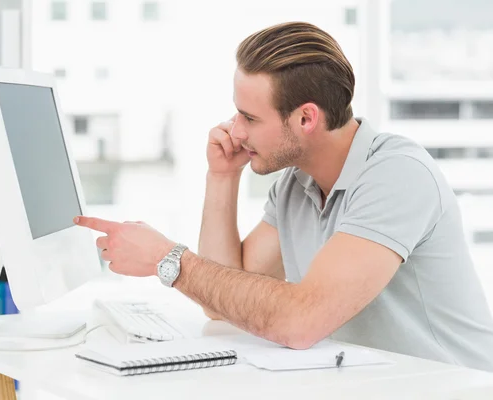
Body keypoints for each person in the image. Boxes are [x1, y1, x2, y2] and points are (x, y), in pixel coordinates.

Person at [73, 21, 493, 372]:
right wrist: (222, 176)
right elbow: (222, 301)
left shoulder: (397, 175)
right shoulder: (296, 184)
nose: (235, 130)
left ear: (306, 117)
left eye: (250, 118)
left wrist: (170, 261)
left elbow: (300, 321)